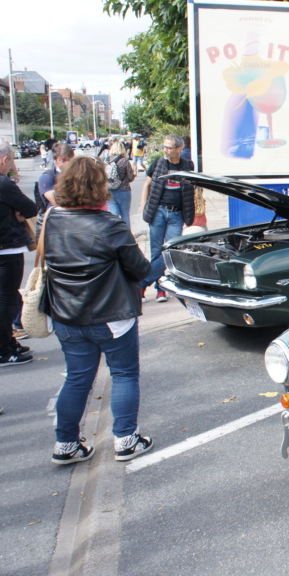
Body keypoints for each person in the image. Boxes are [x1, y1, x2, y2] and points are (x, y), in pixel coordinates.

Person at [44, 156, 153, 464]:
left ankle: (65, 444)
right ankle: (126, 441)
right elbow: (141, 269)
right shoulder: (110, 225)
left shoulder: (51, 218)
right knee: (124, 374)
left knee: (77, 378)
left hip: (66, 314)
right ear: (99, 187)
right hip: (110, 316)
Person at [0, 138, 37, 367]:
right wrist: (16, 213)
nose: (10, 167)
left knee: (2, 298)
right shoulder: (2, 183)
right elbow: (30, 208)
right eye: (10, 163)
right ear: (4, 159)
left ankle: (8, 344)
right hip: (8, 246)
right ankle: (3, 350)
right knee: (7, 299)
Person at [138, 134, 195, 302]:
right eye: (164, 147)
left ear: (179, 149)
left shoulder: (187, 165)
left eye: (169, 147)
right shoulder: (158, 163)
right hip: (159, 212)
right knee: (156, 252)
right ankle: (160, 289)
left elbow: (191, 189)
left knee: (170, 252)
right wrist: (143, 206)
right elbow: (147, 184)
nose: (165, 150)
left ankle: (142, 283)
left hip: (177, 214)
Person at [35, 142, 73, 233]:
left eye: (70, 160)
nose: (67, 164)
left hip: (73, 222)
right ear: (55, 160)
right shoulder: (47, 177)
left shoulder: (77, 175)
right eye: (63, 160)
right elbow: (57, 201)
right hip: (55, 224)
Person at [104, 140, 136, 232]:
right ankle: (127, 235)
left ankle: (115, 233)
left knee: (114, 214)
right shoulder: (124, 161)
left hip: (109, 189)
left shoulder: (106, 160)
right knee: (125, 214)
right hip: (123, 189)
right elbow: (130, 178)